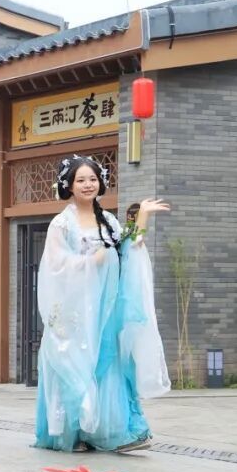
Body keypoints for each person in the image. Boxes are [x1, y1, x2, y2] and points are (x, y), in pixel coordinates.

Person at [33, 154, 172, 454]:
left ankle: (111, 432)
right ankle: (74, 433)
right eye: (81, 180)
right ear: (69, 185)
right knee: (75, 365)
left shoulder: (107, 220)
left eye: (93, 179)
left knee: (107, 363)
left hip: (104, 308)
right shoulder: (61, 224)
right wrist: (89, 261)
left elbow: (128, 248)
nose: (88, 185)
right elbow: (55, 265)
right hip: (74, 312)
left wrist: (143, 216)